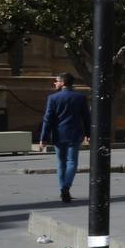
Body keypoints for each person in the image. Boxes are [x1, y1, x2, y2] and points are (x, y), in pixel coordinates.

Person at [39, 72, 90, 203]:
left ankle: (63, 188)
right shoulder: (80, 97)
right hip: (74, 134)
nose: (55, 83)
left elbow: (47, 119)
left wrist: (43, 138)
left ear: (62, 83)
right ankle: (66, 187)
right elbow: (86, 118)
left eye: (56, 81)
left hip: (58, 135)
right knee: (72, 162)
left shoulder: (53, 98)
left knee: (61, 163)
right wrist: (88, 133)